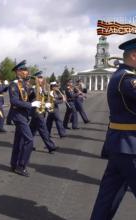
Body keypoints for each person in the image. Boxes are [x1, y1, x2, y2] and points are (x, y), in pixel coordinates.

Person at [90, 38, 136, 219]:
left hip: (122, 144)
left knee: (109, 195)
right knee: (110, 193)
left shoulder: (123, 75)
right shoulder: (127, 78)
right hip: (130, 144)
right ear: (134, 55)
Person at [9, 60, 41, 177]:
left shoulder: (24, 84)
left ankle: (14, 164)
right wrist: (30, 105)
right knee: (29, 140)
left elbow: (29, 97)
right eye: (24, 70)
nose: (27, 72)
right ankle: (21, 166)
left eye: (26, 70)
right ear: (18, 71)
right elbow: (14, 101)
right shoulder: (14, 84)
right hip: (18, 115)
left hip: (24, 115)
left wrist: (37, 93)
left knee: (19, 141)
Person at [28, 71, 58, 153]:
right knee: (43, 130)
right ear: (36, 79)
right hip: (36, 112)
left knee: (31, 130)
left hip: (41, 111)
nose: (42, 79)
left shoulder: (43, 88)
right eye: (39, 78)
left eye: (42, 78)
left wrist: (47, 103)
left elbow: (45, 98)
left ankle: (27, 145)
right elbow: (31, 100)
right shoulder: (33, 89)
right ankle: (51, 146)